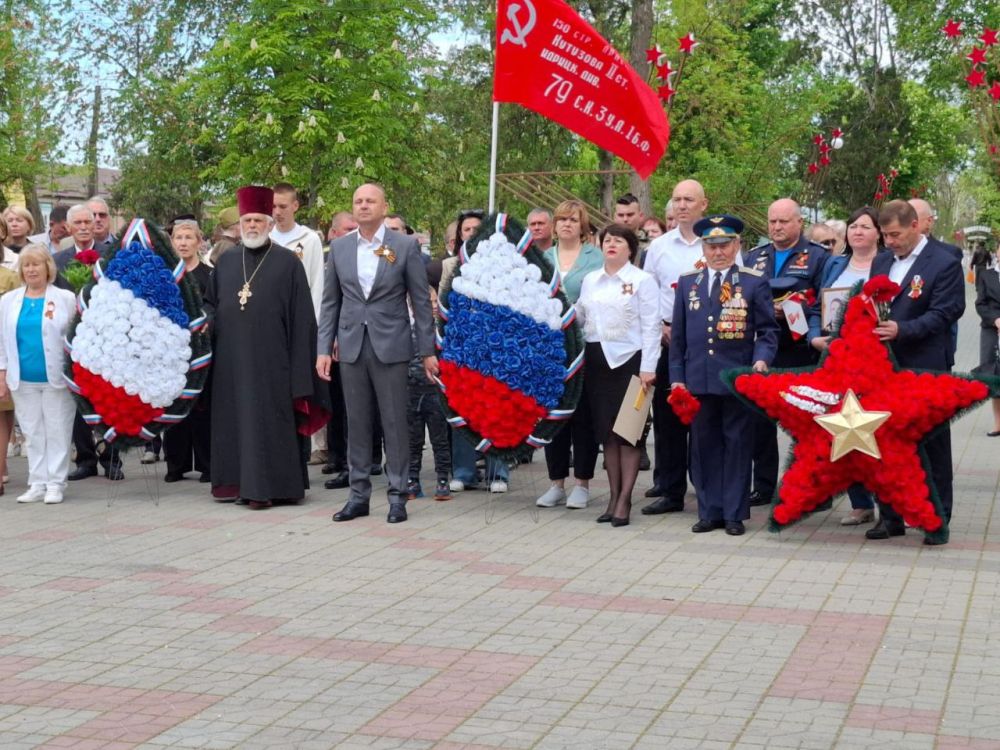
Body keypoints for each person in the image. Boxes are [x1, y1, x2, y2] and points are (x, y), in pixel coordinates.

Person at [317, 183, 436, 524]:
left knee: (394, 422)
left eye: (371, 201)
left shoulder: (401, 246)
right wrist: (323, 349)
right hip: (352, 344)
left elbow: (419, 300)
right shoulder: (339, 248)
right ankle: (358, 496)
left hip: (392, 345)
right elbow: (330, 304)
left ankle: (398, 496)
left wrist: (427, 349)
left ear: (384, 207)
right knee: (357, 423)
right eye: (358, 201)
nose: (364, 206)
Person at [207, 185, 325, 510]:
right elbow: (211, 307)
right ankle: (234, 483)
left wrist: (301, 368)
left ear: (270, 222)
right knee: (235, 421)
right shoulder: (227, 262)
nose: (253, 226)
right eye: (247, 221)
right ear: (240, 224)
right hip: (231, 363)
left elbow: (303, 320)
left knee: (270, 422)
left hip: (275, 364)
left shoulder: (288, 263)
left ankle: (275, 487)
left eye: (259, 220)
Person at [670, 216, 778, 535]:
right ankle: (709, 511)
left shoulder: (753, 281)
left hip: (736, 378)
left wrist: (761, 361)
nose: (717, 252)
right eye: (711, 246)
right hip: (698, 378)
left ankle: (734, 513)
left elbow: (768, 331)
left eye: (724, 245)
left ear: (737, 245)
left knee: (738, 445)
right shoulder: (689, 282)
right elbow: (678, 336)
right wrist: (677, 376)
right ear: (703, 247)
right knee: (704, 448)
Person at [867, 200, 965, 545]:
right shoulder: (881, 261)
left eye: (894, 235)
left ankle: (936, 519)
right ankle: (890, 516)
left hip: (926, 366)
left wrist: (902, 330)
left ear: (914, 226)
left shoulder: (944, 262)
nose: (889, 242)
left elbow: (948, 311)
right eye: (885, 235)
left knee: (931, 444)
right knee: (885, 441)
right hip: (885, 366)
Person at [743, 198, 826, 508]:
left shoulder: (817, 257)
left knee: (806, 421)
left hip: (801, 350)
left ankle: (812, 487)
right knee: (760, 421)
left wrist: (790, 309)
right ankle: (762, 486)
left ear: (799, 223)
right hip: (764, 349)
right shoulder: (755, 256)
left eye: (783, 222)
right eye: (772, 221)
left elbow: (822, 303)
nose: (776, 227)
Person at [577, 224, 659, 527]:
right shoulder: (590, 280)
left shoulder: (642, 281)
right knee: (608, 434)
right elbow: (582, 318)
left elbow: (651, 326)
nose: (611, 244)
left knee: (630, 434)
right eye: (607, 240)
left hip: (632, 362)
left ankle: (625, 499)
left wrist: (649, 367)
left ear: (630, 248)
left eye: (619, 241)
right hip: (598, 362)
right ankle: (612, 497)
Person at [808, 206, 886, 526]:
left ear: (878, 233)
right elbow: (817, 305)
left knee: (880, 430)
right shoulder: (835, 264)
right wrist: (815, 336)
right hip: (838, 356)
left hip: (878, 358)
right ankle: (860, 502)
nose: (857, 231)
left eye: (865, 226)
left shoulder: (888, 264)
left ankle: (891, 502)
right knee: (845, 426)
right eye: (853, 226)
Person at [641, 179, 709, 514]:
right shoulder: (659, 247)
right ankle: (670, 490)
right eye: (677, 200)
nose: (682, 205)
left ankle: (706, 488)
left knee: (703, 417)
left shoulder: (716, 243)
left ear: (703, 204)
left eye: (688, 200)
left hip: (706, 342)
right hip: (669, 339)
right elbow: (648, 294)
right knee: (667, 418)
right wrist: (660, 328)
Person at [535, 200, 603, 510]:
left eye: (573, 219)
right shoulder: (541, 257)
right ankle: (556, 482)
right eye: (561, 219)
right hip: (549, 349)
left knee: (582, 416)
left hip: (583, 346)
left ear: (582, 225)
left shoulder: (596, 258)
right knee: (554, 415)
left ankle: (582, 483)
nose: (566, 224)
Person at [0, 245, 77, 503]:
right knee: (32, 431)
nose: (31, 269)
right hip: (22, 378)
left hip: (56, 377)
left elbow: (75, 337)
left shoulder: (65, 298)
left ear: (48, 267)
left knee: (58, 429)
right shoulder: (8, 301)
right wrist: (2, 374)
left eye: (37, 264)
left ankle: (56, 483)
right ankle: (37, 482)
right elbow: (2, 341)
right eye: (27, 265)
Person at [59, 204, 124, 482]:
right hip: (71, 339)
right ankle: (85, 459)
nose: (86, 226)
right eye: (80, 222)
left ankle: (112, 459)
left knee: (107, 398)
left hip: (104, 338)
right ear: (69, 227)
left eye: (90, 220)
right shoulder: (58, 259)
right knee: (77, 399)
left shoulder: (109, 255)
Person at [163, 219, 213, 483]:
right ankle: (176, 464)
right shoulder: (165, 274)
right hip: (172, 351)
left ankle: (207, 464)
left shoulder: (209, 274)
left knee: (202, 406)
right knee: (174, 404)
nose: (183, 242)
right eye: (178, 238)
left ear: (198, 242)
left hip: (201, 350)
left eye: (188, 238)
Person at [321, 209, 362, 486]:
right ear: (333, 234)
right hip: (336, 340)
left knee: (354, 409)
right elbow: (329, 301)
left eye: (354, 229)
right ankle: (338, 458)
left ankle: (355, 464)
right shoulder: (331, 257)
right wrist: (329, 338)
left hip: (363, 340)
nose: (352, 233)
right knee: (335, 403)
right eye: (347, 229)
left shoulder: (370, 255)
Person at [406, 260, 451, 501]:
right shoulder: (405, 328)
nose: (432, 307)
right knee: (413, 440)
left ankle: (443, 478)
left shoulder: (443, 331)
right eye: (428, 303)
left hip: (435, 391)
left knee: (439, 439)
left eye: (435, 302)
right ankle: (412, 479)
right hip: (411, 390)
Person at [975, 242, 1000, 436]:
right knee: (994, 376)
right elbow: (980, 304)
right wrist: (995, 320)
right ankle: (998, 423)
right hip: (992, 331)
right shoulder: (986, 275)